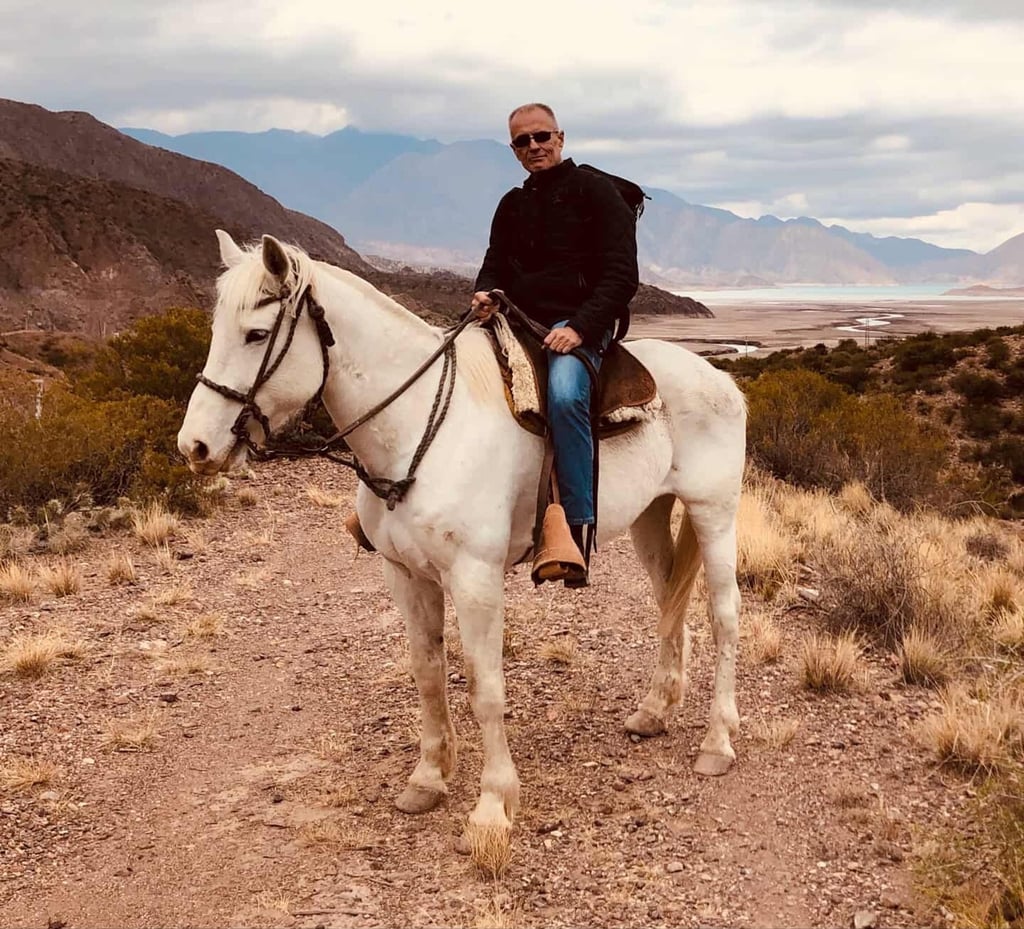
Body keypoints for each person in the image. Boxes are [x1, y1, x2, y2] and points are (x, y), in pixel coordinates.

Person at [472, 103, 639, 586]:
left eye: (541, 137)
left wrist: (581, 328)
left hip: (578, 323)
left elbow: (621, 276)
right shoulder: (512, 204)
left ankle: (575, 529)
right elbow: (494, 262)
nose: (533, 147)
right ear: (513, 149)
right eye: (522, 142)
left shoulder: (597, 193)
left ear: (560, 137)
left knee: (566, 397)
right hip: (519, 319)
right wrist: (486, 292)